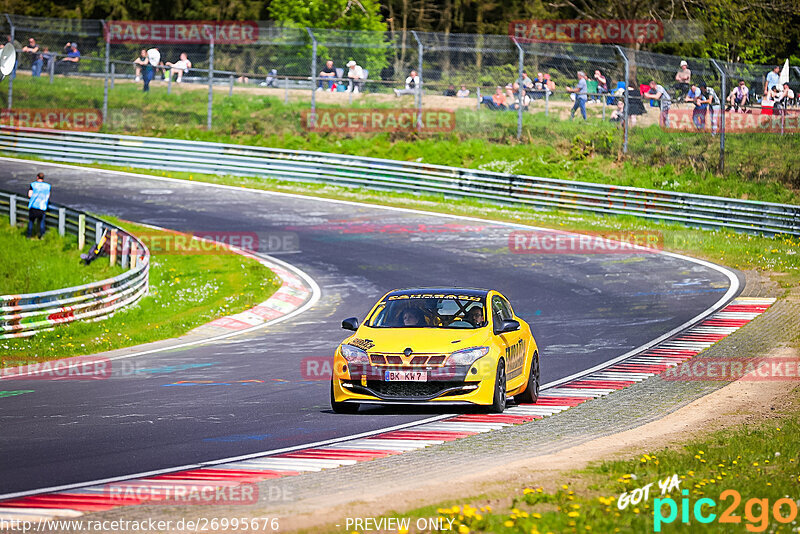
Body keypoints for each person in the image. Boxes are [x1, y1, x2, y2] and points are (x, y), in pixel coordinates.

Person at [27, 172, 50, 239]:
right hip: (42, 206)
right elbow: (48, 196)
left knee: (31, 221)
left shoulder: (33, 185)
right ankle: (42, 236)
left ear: (37, 177)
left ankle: (29, 235)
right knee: (42, 222)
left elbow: (29, 195)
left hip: (33, 206)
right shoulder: (47, 186)